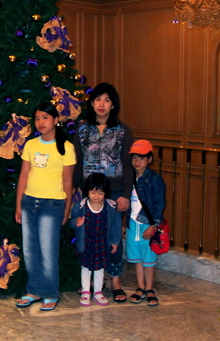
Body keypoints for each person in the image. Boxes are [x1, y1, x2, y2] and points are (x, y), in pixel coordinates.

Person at [72, 82, 134, 303]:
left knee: (113, 235)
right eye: (98, 99)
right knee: (88, 234)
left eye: (107, 100)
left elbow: (128, 164)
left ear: (113, 105)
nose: (102, 104)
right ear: (92, 102)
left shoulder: (122, 130)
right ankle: (89, 282)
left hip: (115, 191)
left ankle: (115, 281)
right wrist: (73, 188)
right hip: (88, 193)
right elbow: (77, 164)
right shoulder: (82, 130)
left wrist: (126, 194)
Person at [15, 102, 76, 312]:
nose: (40, 122)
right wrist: (18, 205)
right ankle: (34, 290)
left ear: (55, 120)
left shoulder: (66, 147)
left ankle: (50, 293)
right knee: (30, 251)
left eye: (45, 118)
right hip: (29, 202)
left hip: (52, 204)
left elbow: (68, 182)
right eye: (37, 118)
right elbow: (23, 175)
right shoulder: (31, 145)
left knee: (48, 251)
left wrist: (67, 209)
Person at [70, 173, 121, 306]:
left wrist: (114, 241)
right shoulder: (80, 206)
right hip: (86, 242)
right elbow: (72, 221)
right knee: (86, 267)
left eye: (100, 193)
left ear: (105, 193)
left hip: (102, 242)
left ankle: (98, 292)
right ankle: (86, 291)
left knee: (100, 268)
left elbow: (116, 225)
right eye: (93, 192)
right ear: (87, 191)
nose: (96, 196)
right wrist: (76, 222)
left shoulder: (110, 207)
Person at [126, 139, 166, 307]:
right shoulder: (129, 177)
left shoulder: (154, 179)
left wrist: (153, 225)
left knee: (148, 257)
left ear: (149, 159)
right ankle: (140, 287)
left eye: (142, 157)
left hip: (147, 223)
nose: (137, 161)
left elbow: (159, 203)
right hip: (132, 223)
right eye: (134, 157)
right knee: (136, 257)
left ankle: (149, 288)